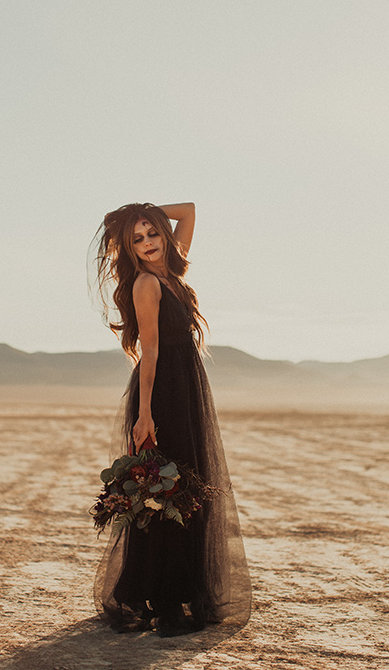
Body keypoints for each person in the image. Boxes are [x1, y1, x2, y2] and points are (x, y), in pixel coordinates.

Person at [90, 202, 251, 637]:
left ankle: (177, 592)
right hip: (164, 394)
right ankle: (164, 602)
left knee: (187, 493)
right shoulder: (146, 284)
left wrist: (136, 212)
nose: (147, 244)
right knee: (168, 498)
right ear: (129, 248)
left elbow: (192, 211)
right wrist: (144, 415)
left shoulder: (171, 276)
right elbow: (151, 352)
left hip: (187, 388)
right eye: (137, 238)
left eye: (152, 234)